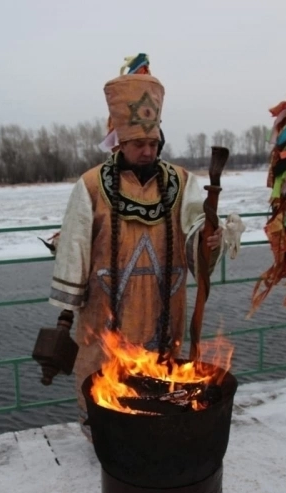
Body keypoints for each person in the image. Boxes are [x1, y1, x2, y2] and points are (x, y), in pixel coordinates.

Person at [43, 58, 229, 435]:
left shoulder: (181, 182)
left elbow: (197, 226)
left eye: (152, 143)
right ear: (120, 142)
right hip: (105, 310)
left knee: (161, 375)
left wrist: (208, 239)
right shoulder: (92, 185)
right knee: (103, 375)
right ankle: (101, 431)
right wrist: (65, 313)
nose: (147, 151)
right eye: (138, 144)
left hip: (164, 305)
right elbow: (75, 244)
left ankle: (155, 428)